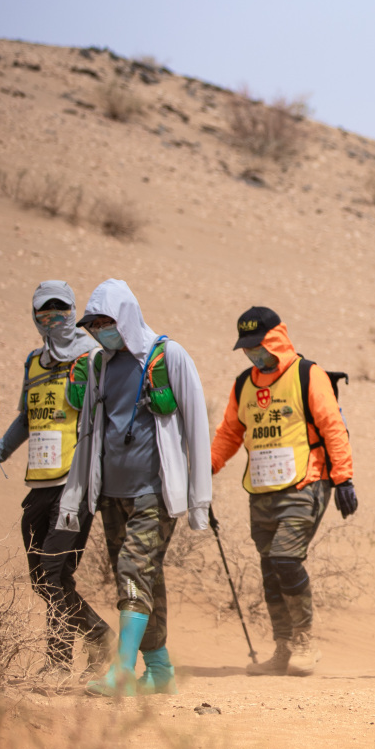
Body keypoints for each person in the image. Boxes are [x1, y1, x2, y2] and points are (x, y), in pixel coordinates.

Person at [58, 280, 212, 696]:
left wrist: (200, 499)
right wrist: (77, 495)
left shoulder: (168, 356)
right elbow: (88, 431)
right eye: (94, 324)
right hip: (111, 495)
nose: (102, 329)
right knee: (142, 579)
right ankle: (160, 671)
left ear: (126, 317)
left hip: (154, 493)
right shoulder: (97, 366)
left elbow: (197, 426)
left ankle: (122, 672)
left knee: (132, 570)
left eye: (108, 321)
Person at [211, 307, 357, 677]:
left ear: (277, 339)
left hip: (305, 483)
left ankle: (305, 641)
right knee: (270, 568)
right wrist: (205, 469)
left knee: (286, 559)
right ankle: (283, 647)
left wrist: (343, 479)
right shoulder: (244, 383)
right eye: (247, 349)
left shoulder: (308, 375)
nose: (253, 354)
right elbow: (230, 433)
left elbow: (333, 427)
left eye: (259, 346)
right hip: (261, 490)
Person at [0, 282, 110, 678]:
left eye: (61, 311)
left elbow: (106, 414)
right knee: (42, 578)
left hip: (74, 485)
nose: (53, 319)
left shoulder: (92, 358)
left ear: (74, 312)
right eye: (45, 313)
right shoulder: (34, 362)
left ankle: (60, 661)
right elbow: (26, 417)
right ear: (35, 317)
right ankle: (98, 637)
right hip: (38, 484)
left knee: (55, 572)